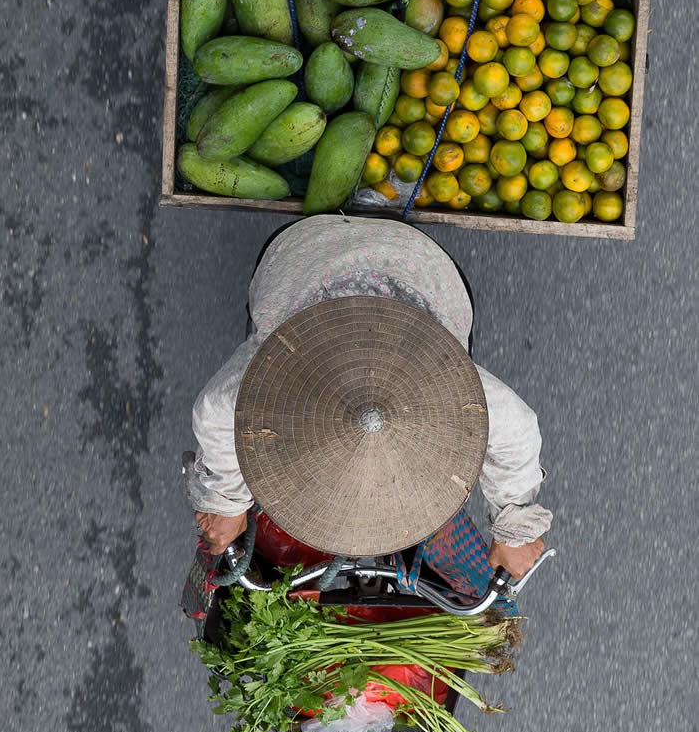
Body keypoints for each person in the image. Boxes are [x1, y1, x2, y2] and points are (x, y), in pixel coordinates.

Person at [186, 215, 551, 580]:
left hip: (416, 263)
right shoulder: (280, 358)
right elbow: (216, 410)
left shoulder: (444, 380)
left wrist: (516, 528)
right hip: (309, 249)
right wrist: (226, 501)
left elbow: (516, 428)